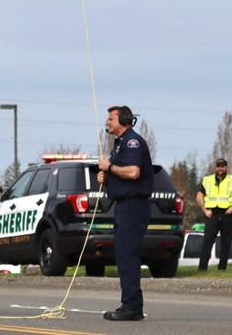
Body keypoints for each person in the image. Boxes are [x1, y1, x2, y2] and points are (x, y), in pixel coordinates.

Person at [96, 105, 153, 322]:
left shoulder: (132, 142)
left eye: (111, 118)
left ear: (125, 119)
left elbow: (133, 172)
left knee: (128, 256)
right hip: (123, 206)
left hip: (133, 206)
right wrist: (106, 177)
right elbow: (119, 172)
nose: (108, 122)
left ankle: (132, 307)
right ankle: (128, 303)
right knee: (122, 256)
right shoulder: (118, 145)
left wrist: (109, 167)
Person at [196, 157, 232, 272]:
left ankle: (222, 268)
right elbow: (199, 195)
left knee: (226, 242)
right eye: (218, 166)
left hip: (227, 214)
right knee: (207, 241)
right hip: (212, 214)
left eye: (222, 166)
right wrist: (204, 210)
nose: (220, 168)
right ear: (215, 167)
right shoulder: (207, 180)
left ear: (226, 167)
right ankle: (202, 268)